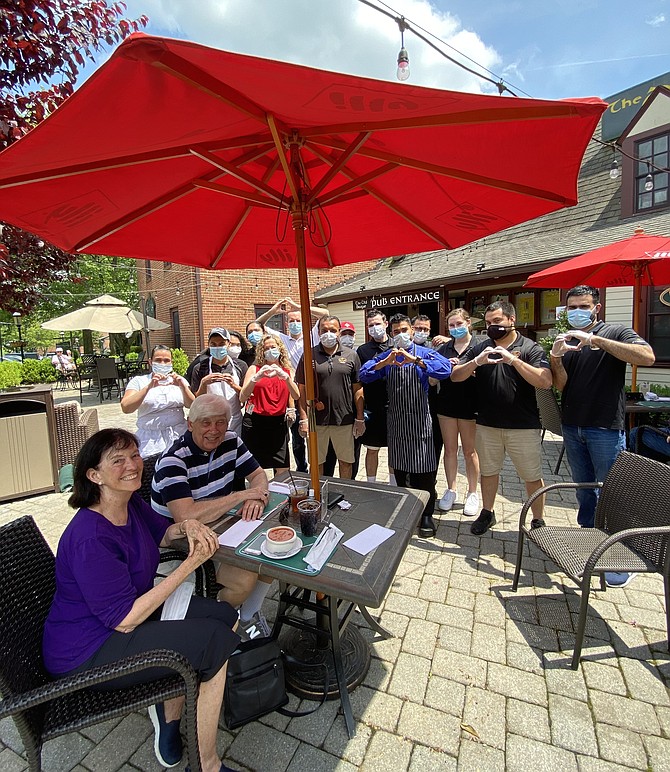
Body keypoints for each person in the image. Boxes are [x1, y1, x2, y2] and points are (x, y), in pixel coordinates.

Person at [42, 429, 239, 772]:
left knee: (226, 615)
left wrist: (188, 526)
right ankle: (207, 764)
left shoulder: (128, 502)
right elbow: (125, 619)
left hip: (123, 614)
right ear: (94, 475)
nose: (133, 465)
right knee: (213, 641)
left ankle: (169, 715)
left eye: (134, 455)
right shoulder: (90, 537)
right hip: (88, 650)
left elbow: (162, 533)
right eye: (118, 460)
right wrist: (191, 564)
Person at [550, 284, 655, 587]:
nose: (577, 312)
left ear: (596, 308)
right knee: (585, 490)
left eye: (583, 306)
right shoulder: (568, 340)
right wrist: (556, 357)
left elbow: (646, 356)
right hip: (573, 426)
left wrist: (595, 338)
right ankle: (589, 541)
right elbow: (560, 385)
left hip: (605, 427)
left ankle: (622, 554)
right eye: (572, 307)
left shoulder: (616, 331)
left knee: (613, 491)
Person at [152, 394, 273, 640]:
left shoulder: (231, 441)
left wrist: (254, 497)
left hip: (220, 530)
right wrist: (240, 495)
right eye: (206, 423)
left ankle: (248, 615)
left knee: (271, 556)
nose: (214, 430)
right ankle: (214, 625)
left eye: (220, 422)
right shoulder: (173, 460)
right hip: (179, 546)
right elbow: (185, 517)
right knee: (245, 577)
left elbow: (259, 476)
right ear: (190, 424)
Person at [451, 301, 552, 536]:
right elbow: (455, 376)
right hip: (487, 424)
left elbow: (545, 381)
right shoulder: (482, 347)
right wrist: (477, 361)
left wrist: (513, 360)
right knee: (488, 472)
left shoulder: (530, 348)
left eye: (497, 321)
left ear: (511, 320)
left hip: (523, 426)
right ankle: (487, 512)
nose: (492, 327)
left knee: (532, 476)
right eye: (488, 323)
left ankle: (538, 520)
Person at [360, 313, 452, 537]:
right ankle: (406, 512)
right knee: (401, 472)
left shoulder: (426, 353)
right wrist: (386, 362)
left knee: (425, 472)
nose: (400, 335)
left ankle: (427, 514)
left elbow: (445, 370)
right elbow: (364, 375)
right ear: (391, 335)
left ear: (411, 331)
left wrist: (416, 361)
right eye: (396, 332)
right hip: (398, 422)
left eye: (404, 330)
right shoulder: (387, 355)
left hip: (421, 421)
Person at [257, 297, 329, 473]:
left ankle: (316, 467)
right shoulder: (281, 340)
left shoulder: (311, 336)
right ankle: (301, 468)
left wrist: (300, 306)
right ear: (287, 324)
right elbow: (258, 324)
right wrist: (274, 310)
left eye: (298, 320)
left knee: (312, 433)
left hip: (310, 391)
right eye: (292, 321)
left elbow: (326, 314)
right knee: (297, 439)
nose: (295, 323)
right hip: (289, 392)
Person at [295, 315, 365, 479]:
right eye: (324, 330)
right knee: (317, 462)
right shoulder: (308, 355)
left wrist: (360, 418)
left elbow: (358, 389)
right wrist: (304, 418)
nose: (328, 333)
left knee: (346, 462)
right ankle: (319, 497)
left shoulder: (351, 355)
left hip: (344, 419)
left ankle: (343, 496)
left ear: (339, 332)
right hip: (316, 420)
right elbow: (301, 389)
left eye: (333, 330)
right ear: (318, 333)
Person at [434, 309, 481, 517]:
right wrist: (443, 369)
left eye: (459, 323)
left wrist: (468, 368)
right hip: (447, 405)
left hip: (472, 406)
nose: (455, 328)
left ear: (468, 323)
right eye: (451, 325)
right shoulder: (445, 348)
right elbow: (433, 377)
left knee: (470, 451)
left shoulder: (481, 345)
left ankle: (472, 492)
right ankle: (451, 489)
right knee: (450, 449)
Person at [121, 345, 195, 457]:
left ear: (171, 362)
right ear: (150, 362)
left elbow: (192, 405)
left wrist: (183, 387)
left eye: (166, 360)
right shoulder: (139, 381)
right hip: (150, 439)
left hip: (178, 434)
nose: (162, 363)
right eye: (158, 360)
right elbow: (126, 407)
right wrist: (148, 388)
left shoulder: (179, 380)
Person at [239, 335, 299, 474]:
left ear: (280, 349)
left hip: (278, 423)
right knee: (254, 468)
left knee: (283, 468)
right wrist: (255, 379)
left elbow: (296, 395)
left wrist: (286, 379)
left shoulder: (287, 370)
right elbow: (242, 397)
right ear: (261, 351)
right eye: (266, 348)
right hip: (255, 421)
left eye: (273, 347)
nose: (270, 350)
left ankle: (278, 494)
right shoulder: (254, 369)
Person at [356, 308, 394, 484]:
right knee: (372, 449)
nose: (374, 328)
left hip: (395, 406)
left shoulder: (397, 345)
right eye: (371, 325)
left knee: (394, 449)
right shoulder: (363, 350)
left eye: (378, 324)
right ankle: (371, 482)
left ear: (386, 324)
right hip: (372, 407)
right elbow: (359, 383)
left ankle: (395, 483)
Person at [191, 328, 248, 436]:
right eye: (213, 344)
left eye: (221, 343)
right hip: (210, 420)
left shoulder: (240, 366)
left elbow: (245, 396)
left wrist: (234, 385)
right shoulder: (200, 368)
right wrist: (204, 383)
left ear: (228, 344)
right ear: (208, 345)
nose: (217, 347)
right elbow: (197, 400)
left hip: (234, 420)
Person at [412, 313, 444, 470]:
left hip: (431, 402)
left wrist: (449, 340)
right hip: (410, 402)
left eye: (425, 329)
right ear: (411, 328)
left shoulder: (435, 347)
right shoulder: (404, 346)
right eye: (418, 328)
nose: (421, 332)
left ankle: (431, 479)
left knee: (434, 442)